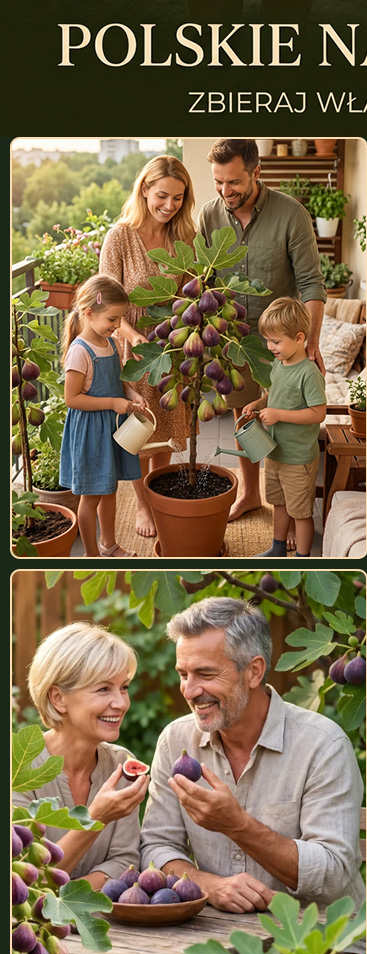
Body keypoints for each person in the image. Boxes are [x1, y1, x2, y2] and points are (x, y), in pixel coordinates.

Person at [139, 597, 365, 914]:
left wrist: (237, 825)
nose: (189, 691)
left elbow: (333, 873)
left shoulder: (323, 745)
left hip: (321, 938)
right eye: (183, 674)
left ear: (254, 671)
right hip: (217, 934)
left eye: (205, 673)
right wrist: (209, 885)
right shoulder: (175, 740)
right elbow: (157, 847)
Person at [197, 138, 327, 527]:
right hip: (232, 340)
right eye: (218, 182)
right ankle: (251, 493)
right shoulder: (209, 215)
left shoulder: (291, 214)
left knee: (285, 420)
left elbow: (311, 285)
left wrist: (312, 343)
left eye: (233, 182)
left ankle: (288, 509)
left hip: (282, 343)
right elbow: (204, 280)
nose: (225, 192)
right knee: (245, 416)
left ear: (257, 172)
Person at [99, 155, 196, 539]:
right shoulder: (119, 237)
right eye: (162, 196)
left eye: (178, 198)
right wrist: (130, 334)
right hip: (134, 350)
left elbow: (193, 292)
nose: (169, 206)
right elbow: (106, 300)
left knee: (168, 425)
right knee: (139, 431)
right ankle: (143, 504)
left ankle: (157, 497)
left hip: (174, 347)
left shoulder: (185, 236)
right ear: (144, 190)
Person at [13, 622, 149, 889]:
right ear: (58, 698)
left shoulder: (120, 764)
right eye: (103, 689)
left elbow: (125, 861)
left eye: (124, 687)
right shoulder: (16, 766)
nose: (121, 703)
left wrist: (72, 899)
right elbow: (24, 884)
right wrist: (96, 817)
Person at [59, 274, 147, 557]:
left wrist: (131, 393)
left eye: (120, 319)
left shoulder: (108, 342)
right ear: (88, 313)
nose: (116, 325)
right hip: (91, 432)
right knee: (91, 495)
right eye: (112, 319)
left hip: (111, 426)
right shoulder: (79, 352)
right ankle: (90, 555)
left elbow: (118, 377)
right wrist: (112, 403)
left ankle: (109, 545)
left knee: (109, 490)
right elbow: (72, 399)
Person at [240, 298, 327, 558]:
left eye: (276, 342)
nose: (270, 347)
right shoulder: (279, 364)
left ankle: (303, 558)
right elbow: (273, 394)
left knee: (300, 513)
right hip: (275, 452)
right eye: (268, 340)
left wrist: (280, 415)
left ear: (299, 337)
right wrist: (258, 403)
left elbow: (318, 413)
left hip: (298, 458)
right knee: (278, 503)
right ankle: (277, 549)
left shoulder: (308, 373)